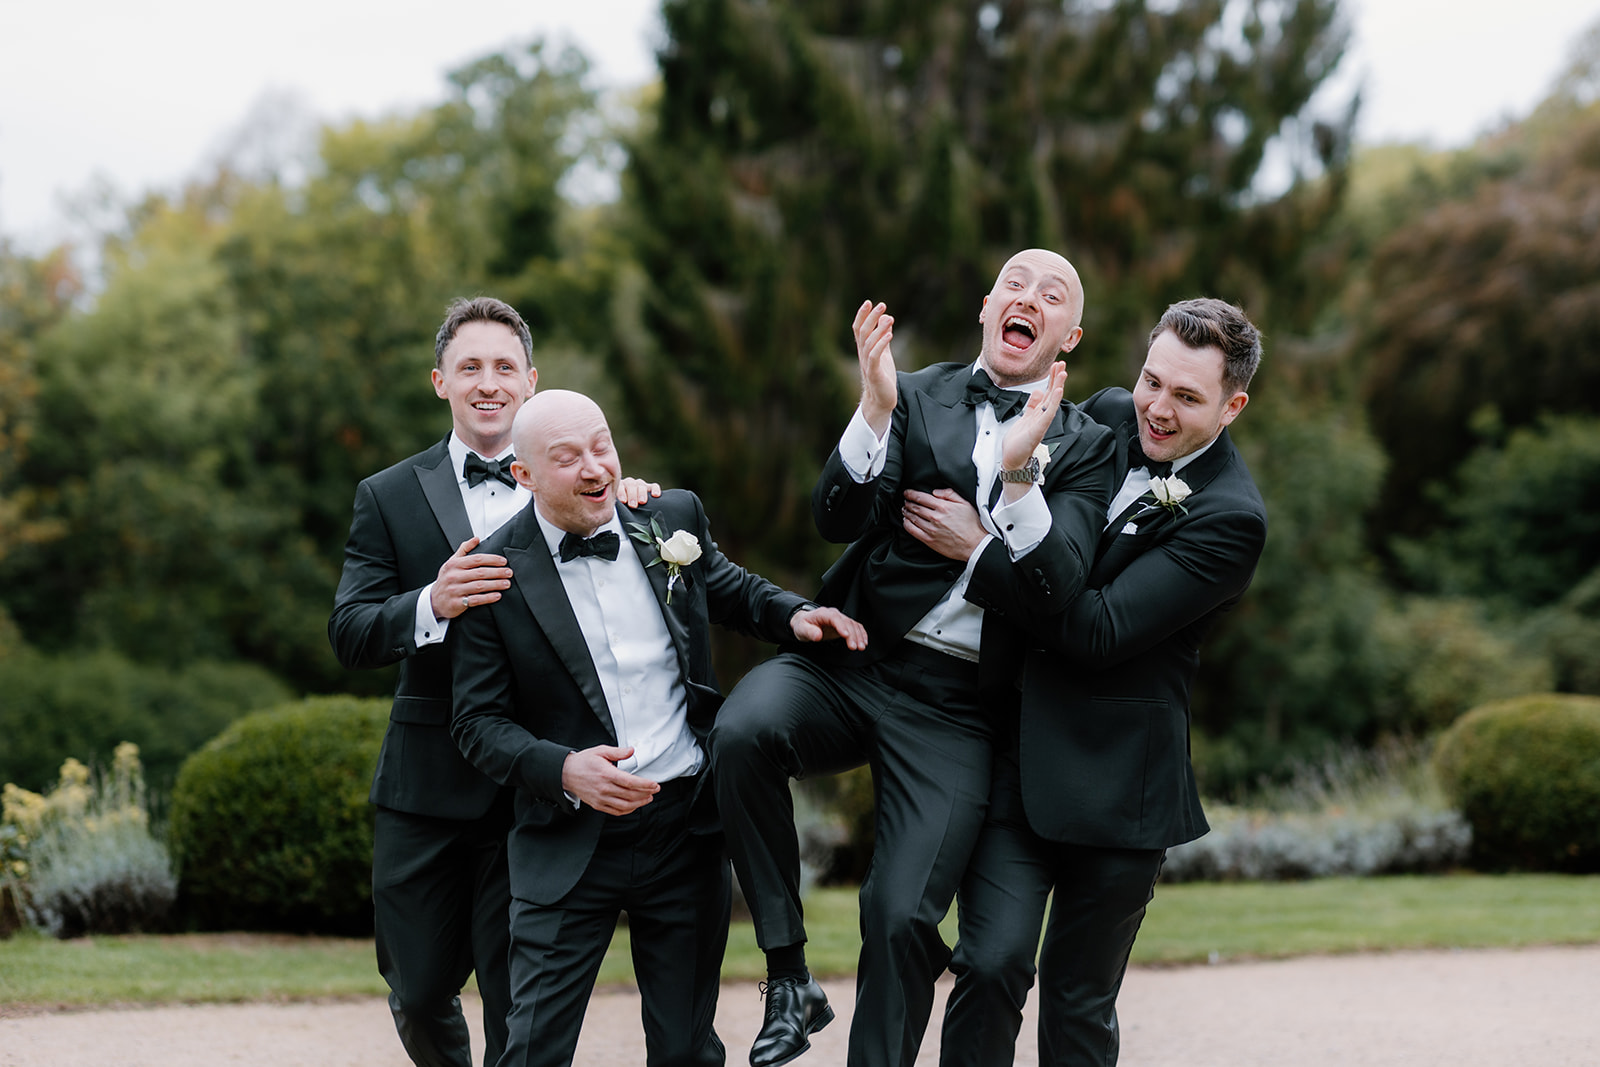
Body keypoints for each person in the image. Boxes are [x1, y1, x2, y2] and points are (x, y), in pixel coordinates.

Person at [710, 249, 1118, 1067]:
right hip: (856, 655)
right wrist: (872, 406)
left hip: (959, 703)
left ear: (1069, 336)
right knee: (742, 729)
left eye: (1053, 294)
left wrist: (1015, 480)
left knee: (899, 914)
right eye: (1015, 283)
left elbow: (1057, 584)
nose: (1028, 298)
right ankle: (789, 973)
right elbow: (836, 515)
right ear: (984, 305)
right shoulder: (917, 392)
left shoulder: (1086, 444)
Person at [447, 389, 868, 1067]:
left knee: (686, 1050)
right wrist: (562, 768)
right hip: (567, 840)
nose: (595, 467)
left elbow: (727, 587)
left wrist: (794, 614)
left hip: (684, 831)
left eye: (602, 445)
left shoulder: (667, 516)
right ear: (523, 475)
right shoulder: (489, 573)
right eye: (567, 457)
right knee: (529, 1050)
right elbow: (475, 723)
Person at [936, 297, 1268, 1066]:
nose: (1156, 407)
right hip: (1022, 759)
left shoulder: (1230, 517)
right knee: (987, 967)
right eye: (1152, 380)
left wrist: (980, 554)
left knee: (1078, 1005)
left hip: (1125, 791)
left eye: (1187, 397)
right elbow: (993, 461)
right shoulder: (1109, 414)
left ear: (1232, 406)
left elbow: (1097, 631)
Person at [328, 297, 655, 1067]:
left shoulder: (585, 487)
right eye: (469, 367)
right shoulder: (388, 495)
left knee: (523, 1008)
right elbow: (349, 631)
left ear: (530, 382)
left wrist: (627, 494)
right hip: (427, 790)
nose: (488, 382)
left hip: (535, 792)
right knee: (416, 990)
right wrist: (430, 603)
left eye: (505, 367)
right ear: (439, 380)